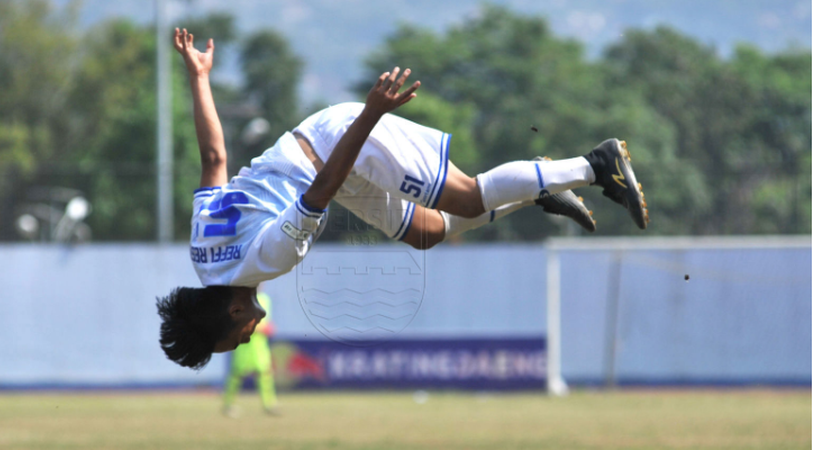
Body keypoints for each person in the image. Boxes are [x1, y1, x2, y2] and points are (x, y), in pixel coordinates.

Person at [157, 28, 648, 370]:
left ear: (233, 314)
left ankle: (595, 166)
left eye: (232, 342)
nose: (244, 343)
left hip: (340, 149)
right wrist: (200, 78)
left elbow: (321, 189)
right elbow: (214, 157)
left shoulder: (269, 258)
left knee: (469, 199)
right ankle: (538, 186)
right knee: (427, 232)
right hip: (325, 159)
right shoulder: (204, 256)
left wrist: (369, 115)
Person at [221, 291, 279, 418]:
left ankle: (269, 404)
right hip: (245, 343)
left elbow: (266, 321)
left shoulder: (265, 299)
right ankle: (228, 404)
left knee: (265, 373)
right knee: (237, 374)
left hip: (259, 344)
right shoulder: (241, 299)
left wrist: (269, 328)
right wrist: (259, 328)